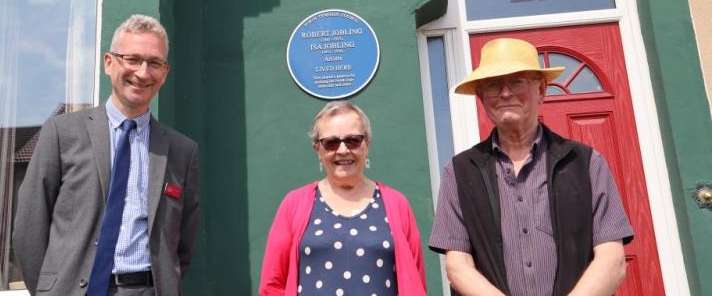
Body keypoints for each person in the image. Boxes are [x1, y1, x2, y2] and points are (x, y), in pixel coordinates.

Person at [429, 38, 633, 296]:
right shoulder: (459, 172)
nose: (505, 93)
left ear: (542, 90)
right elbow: (458, 265)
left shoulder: (586, 162)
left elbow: (612, 260)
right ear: (481, 98)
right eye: (493, 86)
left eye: (517, 81)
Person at [13, 15, 200, 296]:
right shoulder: (62, 133)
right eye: (133, 59)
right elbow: (29, 228)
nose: (143, 72)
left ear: (165, 72)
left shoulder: (182, 151)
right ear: (109, 62)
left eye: (154, 63)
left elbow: (182, 246)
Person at [259, 101, 427, 296]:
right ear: (318, 150)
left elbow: (415, 282)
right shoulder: (293, 204)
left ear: (367, 145)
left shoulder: (397, 203)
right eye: (331, 143)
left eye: (353, 140)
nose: (343, 150)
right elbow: (272, 284)